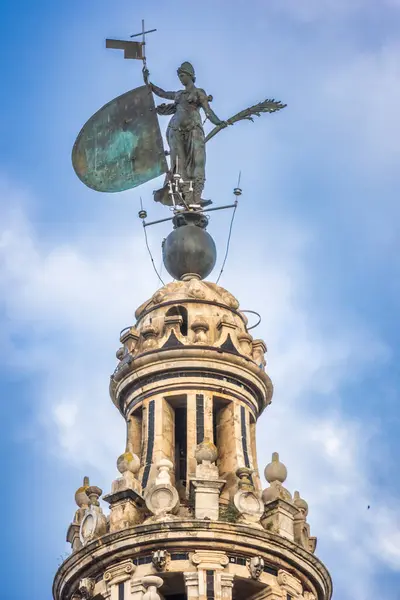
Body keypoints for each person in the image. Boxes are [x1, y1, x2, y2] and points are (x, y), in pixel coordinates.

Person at [143, 61, 226, 206]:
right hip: (175, 130)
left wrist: (218, 122)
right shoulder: (178, 94)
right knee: (179, 164)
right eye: (179, 76)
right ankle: (187, 196)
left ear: (190, 75)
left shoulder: (199, 92)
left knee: (197, 162)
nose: (180, 79)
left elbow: (208, 111)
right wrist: (148, 83)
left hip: (194, 130)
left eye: (182, 75)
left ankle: (196, 196)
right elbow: (162, 93)